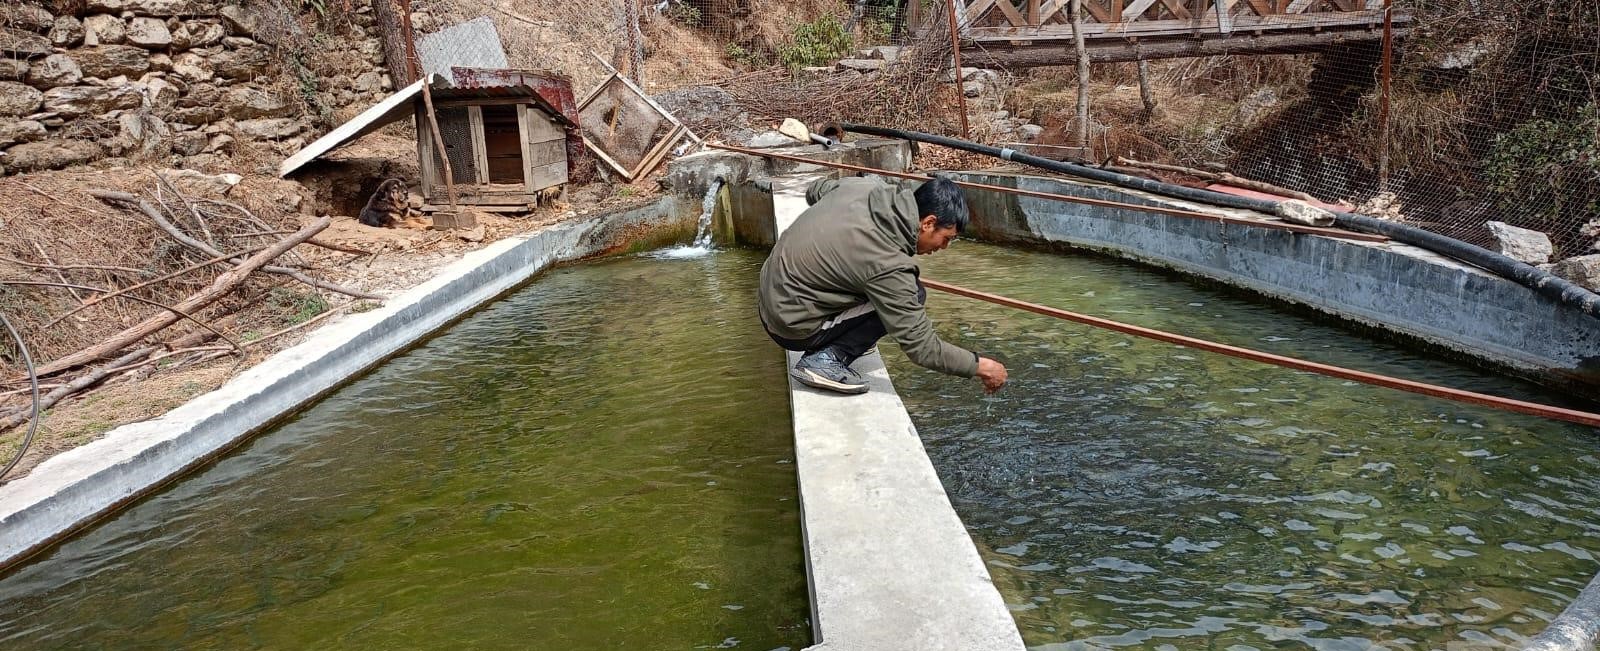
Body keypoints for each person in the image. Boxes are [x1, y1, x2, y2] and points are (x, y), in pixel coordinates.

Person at [758, 175, 1008, 395]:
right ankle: (826, 359)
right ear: (928, 223)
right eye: (946, 239)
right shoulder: (889, 265)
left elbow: (815, 190)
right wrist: (982, 366)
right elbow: (923, 348)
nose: (943, 248)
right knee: (915, 293)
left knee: (889, 290)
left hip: (769, 296)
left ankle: (844, 341)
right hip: (790, 326)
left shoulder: (864, 188)